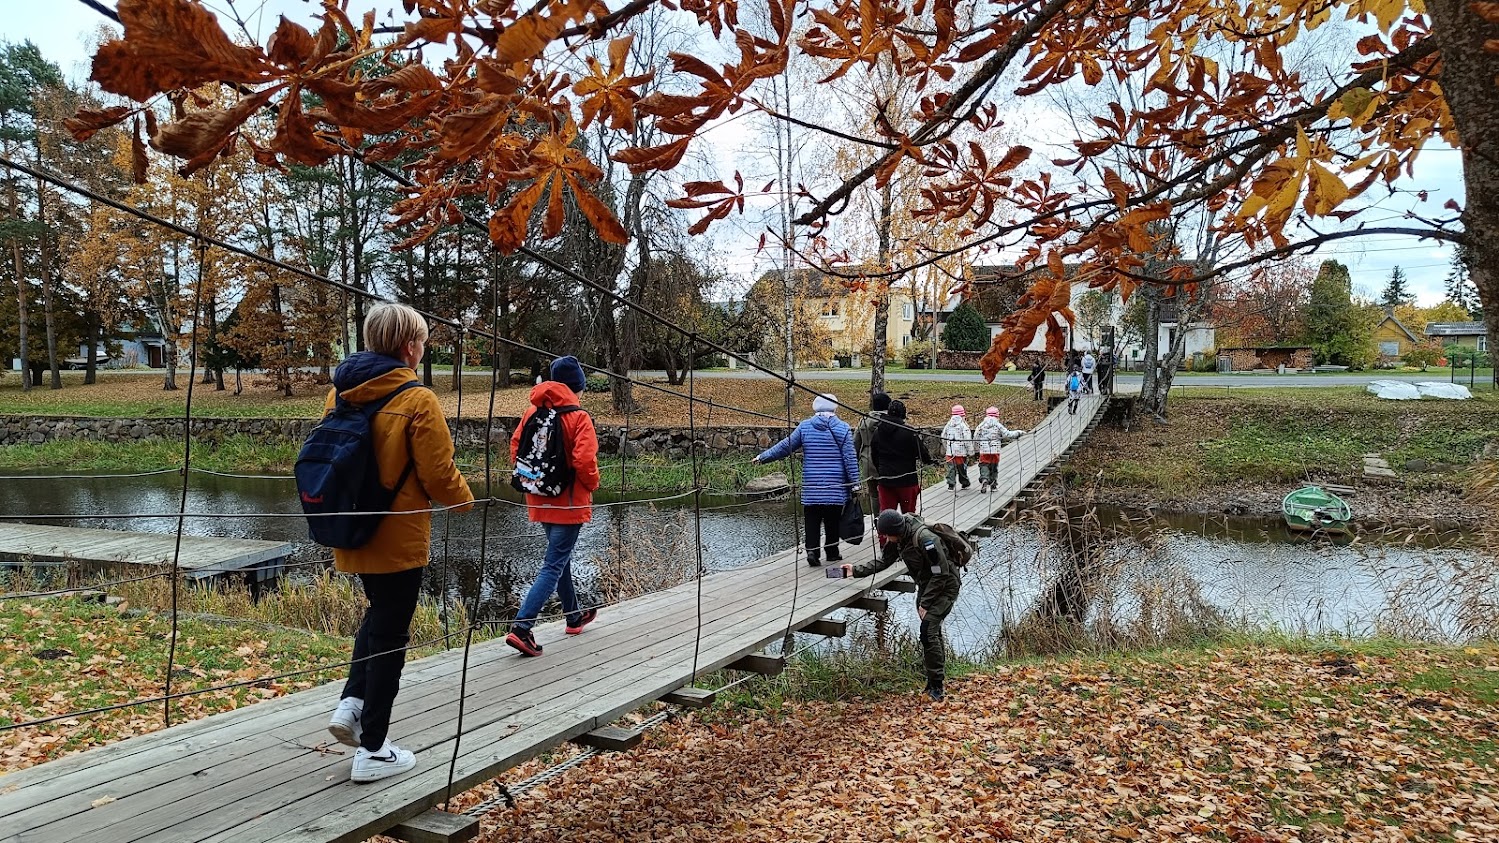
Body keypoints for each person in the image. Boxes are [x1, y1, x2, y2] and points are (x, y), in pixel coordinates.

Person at [324, 302, 475, 784]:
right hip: (398, 534)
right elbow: (437, 473)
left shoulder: (340, 395)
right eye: (423, 342)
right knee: (392, 633)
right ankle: (373, 749)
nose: (422, 349)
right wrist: (466, 502)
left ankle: (352, 704)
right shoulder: (417, 398)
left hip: (351, 528)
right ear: (410, 345)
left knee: (378, 614)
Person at [505, 355, 602, 658]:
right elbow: (584, 461)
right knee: (553, 564)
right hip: (569, 503)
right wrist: (593, 483)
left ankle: (573, 617)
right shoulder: (578, 416)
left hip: (539, 498)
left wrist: (536, 481)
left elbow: (515, 449)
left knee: (558, 559)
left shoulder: (532, 412)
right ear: (577, 387)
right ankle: (522, 628)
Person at [842, 510, 961, 700]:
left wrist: (926, 603)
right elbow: (884, 562)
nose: (886, 538)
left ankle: (937, 687)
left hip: (945, 586)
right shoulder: (899, 538)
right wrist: (855, 571)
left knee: (928, 630)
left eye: (887, 535)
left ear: (895, 530)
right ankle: (933, 680)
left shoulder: (927, 540)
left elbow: (941, 572)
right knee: (932, 632)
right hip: (926, 585)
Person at [754, 393, 859, 566]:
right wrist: (855, 485)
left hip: (812, 485)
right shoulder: (842, 428)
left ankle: (812, 552)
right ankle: (832, 552)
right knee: (832, 520)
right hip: (835, 485)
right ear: (834, 407)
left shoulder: (805, 427)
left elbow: (784, 447)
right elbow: (850, 459)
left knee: (812, 520)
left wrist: (762, 457)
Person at [870, 400, 932, 527]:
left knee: (886, 515)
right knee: (909, 516)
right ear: (903, 414)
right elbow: (922, 453)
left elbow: (874, 455)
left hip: (885, 479)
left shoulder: (877, 432)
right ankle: (908, 542)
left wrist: (881, 470)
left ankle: (884, 543)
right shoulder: (909, 432)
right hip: (907, 481)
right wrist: (929, 461)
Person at [973, 407, 1023, 493]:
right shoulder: (998, 425)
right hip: (995, 450)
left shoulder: (981, 425)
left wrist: (976, 449)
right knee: (994, 467)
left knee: (984, 465)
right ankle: (993, 485)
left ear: (987, 415)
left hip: (984, 450)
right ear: (997, 416)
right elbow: (1007, 434)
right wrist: (1019, 432)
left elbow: (976, 437)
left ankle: (984, 479)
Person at [853, 392, 890, 507]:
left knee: (873, 493)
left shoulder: (863, 421)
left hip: (867, 461)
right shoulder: (889, 421)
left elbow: (855, 442)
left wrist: (855, 463)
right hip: (886, 461)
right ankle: (889, 519)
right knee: (888, 493)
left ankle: (876, 519)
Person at [941, 405, 974, 492]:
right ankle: (964, 483)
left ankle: (951, 485)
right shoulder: (964, 426)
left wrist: (946, 447)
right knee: (961, 469)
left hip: (950, 452)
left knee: (951, 469)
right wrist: (970, 452)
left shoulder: (948, 424)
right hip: (960, 452)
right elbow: (967, 440)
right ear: (963, 415)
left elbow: (943, 436)